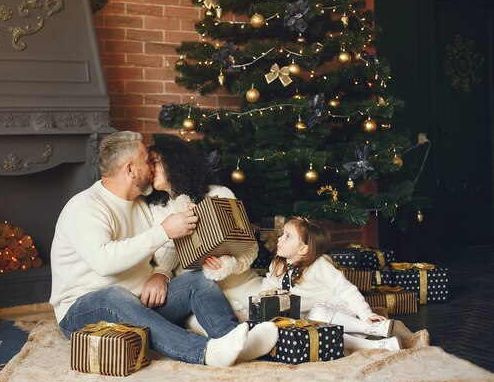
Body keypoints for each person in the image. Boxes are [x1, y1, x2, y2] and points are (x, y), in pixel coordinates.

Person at [50, 131, 278, 367]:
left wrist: (162, 274)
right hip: (82, 311)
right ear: (130, 169)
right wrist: (163, 231)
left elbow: (162, 257)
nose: (151, 167)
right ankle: (204, 352)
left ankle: (233, 340)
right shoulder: (85, 206)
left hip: (138, 305)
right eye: (146, 160)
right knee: (113, 295)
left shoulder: (140, 205)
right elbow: (104, 263)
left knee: (198, 281)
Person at [145, 135, 264, 328]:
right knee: (207, 328)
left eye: (155, 162)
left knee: (276, 318)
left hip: (241, 284)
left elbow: (249, 247)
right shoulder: (157, 208)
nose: (150, 168)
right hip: (199, 297)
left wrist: (230, 265)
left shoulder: (219, 194)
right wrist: (178, 224)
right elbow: (163, 262)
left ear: (175, 163)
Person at [261, 216, 403, 350]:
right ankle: (380, 346)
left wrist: (366, 314)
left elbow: (346, 290)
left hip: (338, 315)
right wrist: (265, 295)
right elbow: (269, 284)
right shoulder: (277, 265)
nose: (279, 239)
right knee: (315, 334)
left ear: (303, 249)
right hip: (313, 323)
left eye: (287, 236)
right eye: (282, 234)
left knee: (317, 313)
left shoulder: (318, 264)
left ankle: (372, 328)